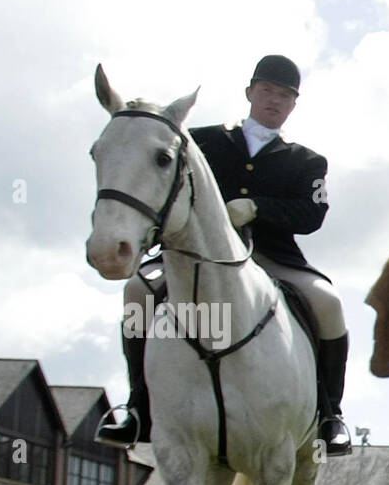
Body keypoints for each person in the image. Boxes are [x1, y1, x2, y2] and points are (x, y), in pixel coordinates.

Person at [96, 54, 351, 456]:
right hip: (195, 253)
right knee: (137, 293)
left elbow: (312, 214)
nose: (274, 100)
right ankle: (137, 406)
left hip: (271, 258)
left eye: (285, 95)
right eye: (267, 90)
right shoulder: (202, 140)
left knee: (329, 303)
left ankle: (330, 415)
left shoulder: (307, 161)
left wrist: (258, 208)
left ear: (293, 104)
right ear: (250, 92)